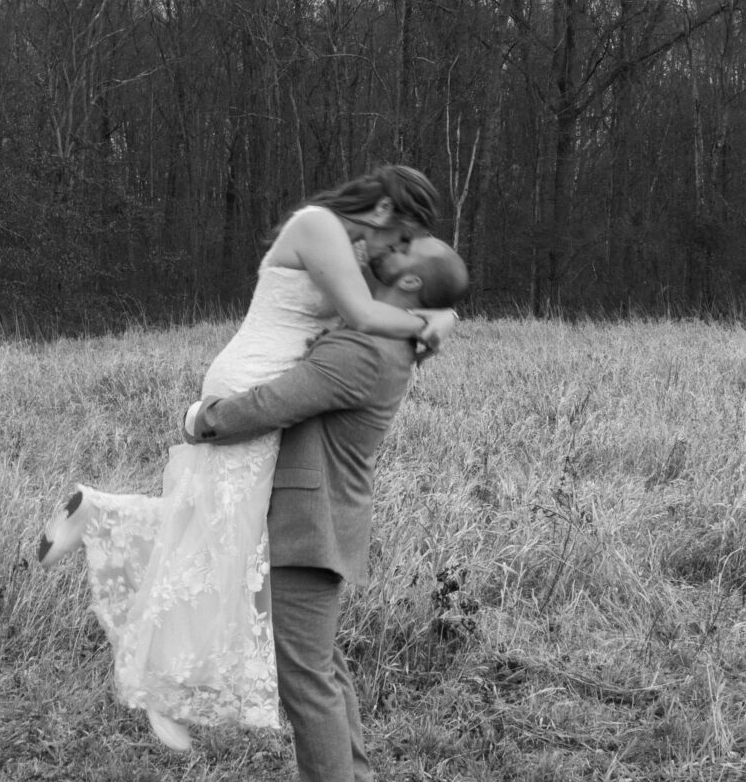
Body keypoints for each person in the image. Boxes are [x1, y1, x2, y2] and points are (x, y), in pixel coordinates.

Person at [34, 166, 458, 751]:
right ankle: (160, 682)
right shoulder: (317, 226)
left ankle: (103, 516)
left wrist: (443, 315)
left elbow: (370, 331)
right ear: (386, 211)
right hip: (255, 384)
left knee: (221, 528)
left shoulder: (346, 247)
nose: (397, 249)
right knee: (224, 539)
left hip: (275, 380)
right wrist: (431, 320)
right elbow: (364, 319)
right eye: (404, 236)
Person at [185, 233, 470, 782]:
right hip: (320, 519)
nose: (384, 249)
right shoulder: (389, 333)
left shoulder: (363, 349)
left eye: (404, 252)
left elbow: (272, 404)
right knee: (324, 666)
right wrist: (441, 315)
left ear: (411, 287)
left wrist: (202, 420)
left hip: (308, 526)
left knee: (306, 680)